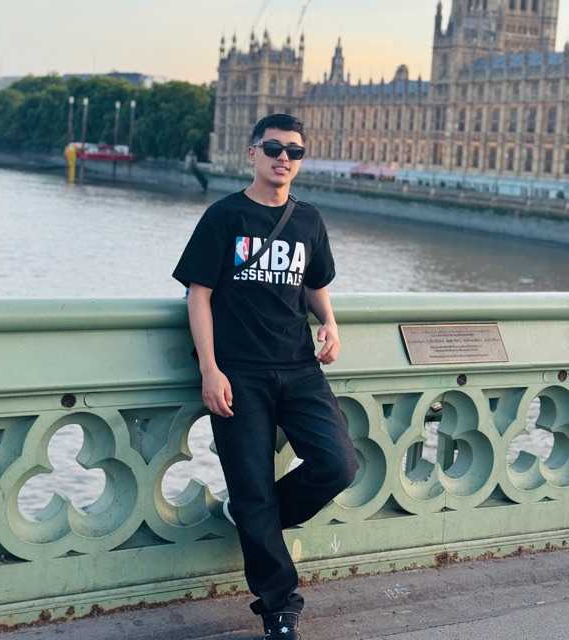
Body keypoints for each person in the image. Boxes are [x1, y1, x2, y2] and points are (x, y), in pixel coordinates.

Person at [172, 113, 358, 640]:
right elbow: (199, 296)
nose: (284, 159)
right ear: (252, 153)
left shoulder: (308, 220)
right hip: (239, 373)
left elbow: (314, 282)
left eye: (294, 151)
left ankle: (256, 518)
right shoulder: (224, 215)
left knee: (338, 464)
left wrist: (330, 323)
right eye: (274, 148)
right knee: (252, 487)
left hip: (300, 368)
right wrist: (209, 368)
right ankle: (280, 607)